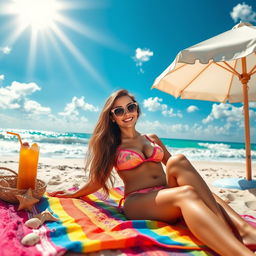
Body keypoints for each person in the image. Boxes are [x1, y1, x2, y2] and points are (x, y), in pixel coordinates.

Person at [51, 89, 256, 256]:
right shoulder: (111, 145)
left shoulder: (152, 138)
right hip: (139, 201)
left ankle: (245, 232)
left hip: (165, 195)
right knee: (188, 193)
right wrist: (73, 194)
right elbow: (98, 181)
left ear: (137, 109)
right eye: (119, 111)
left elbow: (173, 166)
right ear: (112, 117)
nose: (127, 113)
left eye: (130, 107)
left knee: (180, 162)